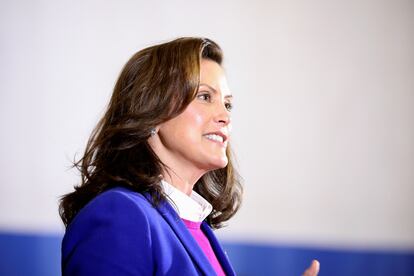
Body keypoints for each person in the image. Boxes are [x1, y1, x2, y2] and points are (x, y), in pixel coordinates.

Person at [59, 37, 320, 276]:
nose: (225, 117)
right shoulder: (119, 215)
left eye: (227, 104)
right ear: (153, 109)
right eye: (205, 97)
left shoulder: (198, 229)